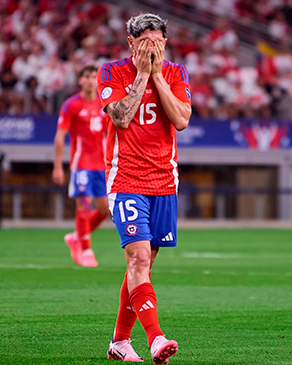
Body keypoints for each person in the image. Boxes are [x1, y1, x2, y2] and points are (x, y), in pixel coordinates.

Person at [97, 13, 191, 364]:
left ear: (166, 42)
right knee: (137, 259)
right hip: (125, 179)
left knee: (142, 266)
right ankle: (156, 339)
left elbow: (181, 120)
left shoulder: (176, 73)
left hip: (164, 180)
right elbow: (120, 117)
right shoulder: (110, 72)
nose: (153, 47)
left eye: (158, 41)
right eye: (145, 41)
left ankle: (120, 342)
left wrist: (156, 77)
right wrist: (141, 75)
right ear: (131, 43)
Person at [52, 66, 109, 267]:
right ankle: (86, 249)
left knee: (106, 209)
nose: (91, 80)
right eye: (87, 77)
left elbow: (110, 135)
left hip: (102, 165)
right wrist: (58, 166)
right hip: (81, 165)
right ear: (80, 80)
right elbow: (60, 136)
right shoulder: (72, 105)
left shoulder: (105, 103)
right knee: (84, 206)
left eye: (95, 76)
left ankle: (77, 236)